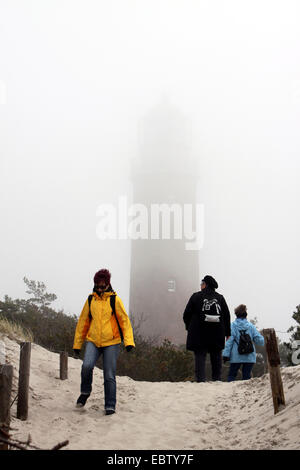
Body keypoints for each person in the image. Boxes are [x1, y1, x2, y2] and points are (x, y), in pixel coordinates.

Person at [73, 269, 135, 415]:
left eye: (103, 286)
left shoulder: (114, 300)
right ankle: (85, 392)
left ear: (108, 284)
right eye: (97, 286)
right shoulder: (90, 299)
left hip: (112, 342)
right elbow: (83, 322)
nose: (100, 289)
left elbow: (124, 321)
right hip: (93, 340)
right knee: (86, 366)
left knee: (109, 374)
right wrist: (77, 344)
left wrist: (129, 342)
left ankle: (110, 405)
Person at [183, 275, 231, 382]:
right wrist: (227, 332)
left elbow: (186, 314)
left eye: (201, 284)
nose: (200, 286)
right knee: (216, 356)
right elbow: (226, 316)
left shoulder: (195, 297)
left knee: (200, 355)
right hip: (217, 333)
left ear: (205, 284)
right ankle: (216, 379)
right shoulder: (220, 298)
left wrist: (189, 327)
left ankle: (200, 380)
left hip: (198, 332)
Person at [222, 304, 264, 382]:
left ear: (236, 315)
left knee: (232, 375)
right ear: (246, 315)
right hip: (249, 356)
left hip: (236, 356)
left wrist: (225, 354)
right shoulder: (251, 326)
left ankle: (231, 392)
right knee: (247, 377)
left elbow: (229, 342)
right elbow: (260, 341)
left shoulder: (232, 326)